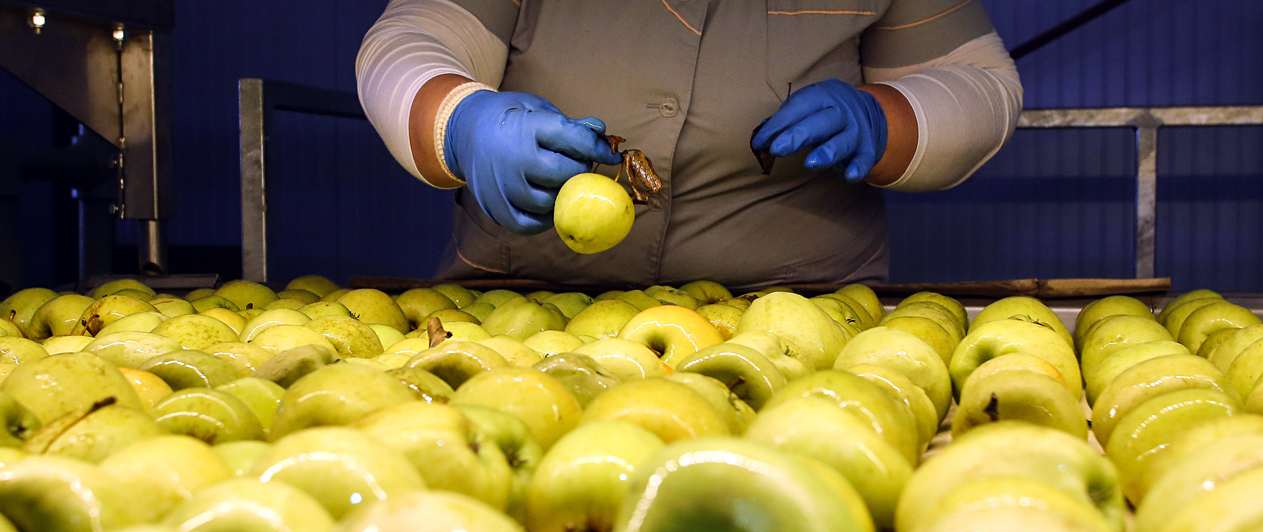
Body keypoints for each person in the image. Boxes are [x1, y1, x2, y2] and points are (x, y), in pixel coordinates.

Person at [357, 0, 1022, 290]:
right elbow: (408, 43)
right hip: (524, 305)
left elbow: (981, 84)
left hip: (800, 321)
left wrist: (892, 120)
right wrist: (461, 124)